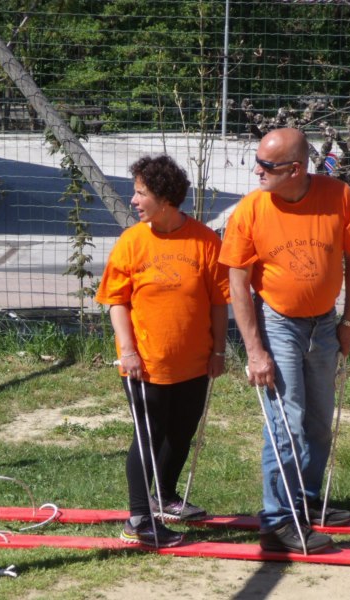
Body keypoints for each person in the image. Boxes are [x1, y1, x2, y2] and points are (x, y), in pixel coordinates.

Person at [219, 128, 350, 554]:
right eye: (258, 161)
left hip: (324, 324)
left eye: (267, 166)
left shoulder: (338, 197)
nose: (257, 171)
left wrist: (349, 322)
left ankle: (304, 499)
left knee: (318, 422)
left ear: (296, 170)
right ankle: (277, 520)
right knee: (286, 426)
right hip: (277, 323)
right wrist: (255, 350)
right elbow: (237, 283)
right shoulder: (249, 210)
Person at [95, 154, 230, 548]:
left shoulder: (205, 241)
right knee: (149, 435)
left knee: (181, 432)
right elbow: (115, 301)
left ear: (165, 197)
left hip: (193, 362)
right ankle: (138, 519)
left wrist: (218, 351)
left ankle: (166, 498)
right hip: (144, 364)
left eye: (141, 193)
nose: (134, 200)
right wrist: (129, 351)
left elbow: (219, 302)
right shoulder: (132, 241)